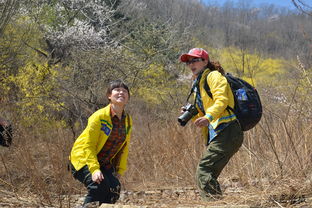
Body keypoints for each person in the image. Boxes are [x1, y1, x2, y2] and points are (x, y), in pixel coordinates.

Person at [179, 48, 244, 201]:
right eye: (188, 62)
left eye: (195, 60)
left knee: (204, 170)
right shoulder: (199, 82)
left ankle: (213, 203)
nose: (191, 64)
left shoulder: (213, 76)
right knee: (208, 173)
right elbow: (207, 106)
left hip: (228, 129)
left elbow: (222, 100)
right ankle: (216, 202)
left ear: (205, 61)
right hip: (220, 132)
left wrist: (208, 117)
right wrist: (194, 112)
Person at [69, 80, 132, 207]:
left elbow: (124, 147)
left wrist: (120, 170)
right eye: (117, 90)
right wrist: (94, 169)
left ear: (128, 97)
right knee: (98, 187)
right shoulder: (99, 117)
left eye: (124, 91)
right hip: (83, 159)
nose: (121, 92)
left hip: (103, 163)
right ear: (109, 95)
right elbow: (89, 145)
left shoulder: (128, 120)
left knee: (114, 190)